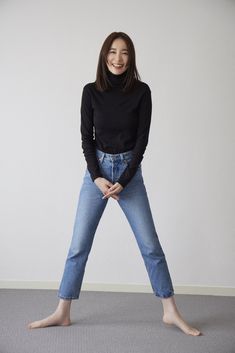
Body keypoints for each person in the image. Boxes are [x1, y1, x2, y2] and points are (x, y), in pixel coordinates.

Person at [28, 31, 201, 336]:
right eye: (112, 52)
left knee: (150, 246)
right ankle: (62, 311)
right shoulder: (90, 91)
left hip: (128, 175)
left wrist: (123, 180)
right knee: (78, 245)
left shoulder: (142, 92)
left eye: (124, 53)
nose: (117, 59)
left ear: (130, 58)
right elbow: (86, 139)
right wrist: (97, 177)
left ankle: (170, 311)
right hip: (96, 172)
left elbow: (141, 141)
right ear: (104, 55)